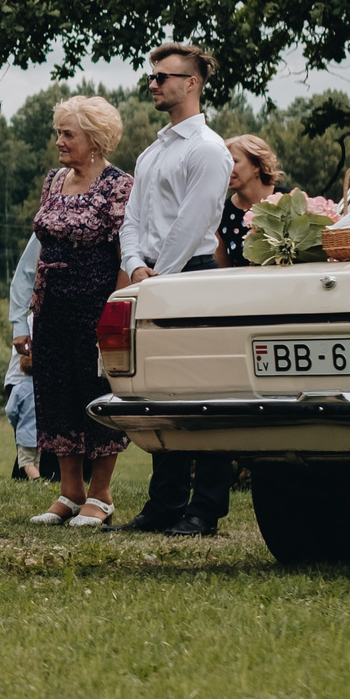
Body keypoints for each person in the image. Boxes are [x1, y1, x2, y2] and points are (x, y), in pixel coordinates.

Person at [119, 43, 236, 537]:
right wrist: (133, 265)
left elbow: (194, 224)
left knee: (205, 394)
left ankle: (205, 509)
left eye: (165, 76)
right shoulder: (152, 151)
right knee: (160, 393)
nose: (154, 83)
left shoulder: (207, 149)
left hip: (193, 274)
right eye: (152, 76)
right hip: (153, 275)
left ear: (192, 83)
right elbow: (133, 219)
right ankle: (163, 504)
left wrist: (158, 276)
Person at [25, 98, 133, 530]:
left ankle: (100, 495)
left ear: (95, 140)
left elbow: (128, 250)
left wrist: (116, 309)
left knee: (97, 390)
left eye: (68, 134)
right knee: (55, 390)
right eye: (59, 132)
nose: (59, 141)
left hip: (96, 300)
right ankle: (69, 493)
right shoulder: (53, 180)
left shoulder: (118, 184)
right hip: (51, 303)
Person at [4, 227, 45, 479]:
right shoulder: (32, 323)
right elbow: (24, 274)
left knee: (27, 455)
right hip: (27, 380)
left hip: (25, 383)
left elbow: (11, 411)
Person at [217, 134, 283, 265]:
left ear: (256, 166)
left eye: (234, 161)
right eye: (225, 162)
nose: (227, 168)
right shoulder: (221, 213)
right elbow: (224, 269)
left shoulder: (287, 202)